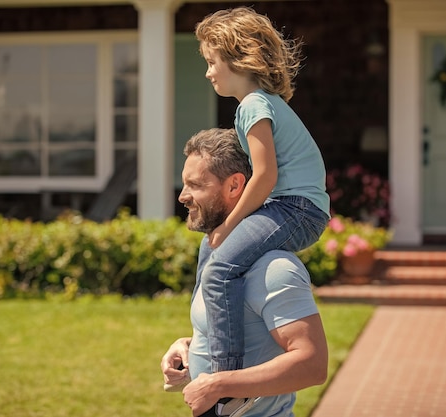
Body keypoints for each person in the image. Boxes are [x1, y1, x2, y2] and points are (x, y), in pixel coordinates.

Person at [192, 6, 331, 414]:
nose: (208, 72)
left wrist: (229, 226)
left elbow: (265, 176)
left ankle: (229, 385)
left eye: (211, 62)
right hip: (290, 206)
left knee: (219, 269)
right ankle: (201, 344)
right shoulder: (256, 103)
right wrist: (217, 235)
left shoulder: (253, 104)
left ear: (235, 58)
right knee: (209, 253)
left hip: (296, 209)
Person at [161, 128, 329, 417]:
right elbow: (242, 336)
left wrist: (219, 384)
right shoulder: (216, 254)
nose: (183, 196)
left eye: (195, 185)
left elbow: (311, 364)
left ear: (234, 186)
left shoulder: (274, 269)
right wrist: (189, 347)